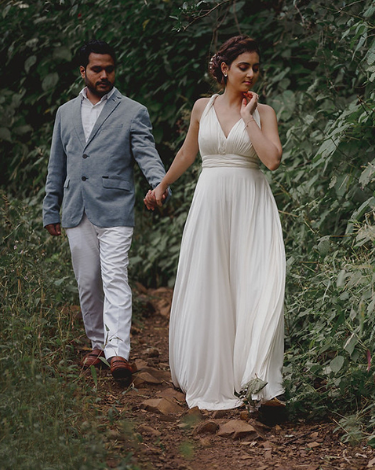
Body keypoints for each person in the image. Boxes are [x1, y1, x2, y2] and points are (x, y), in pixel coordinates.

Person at [144, 35, 285, 410]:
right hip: (210, 206)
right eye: (244, 67)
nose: (252, 74)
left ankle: (258, 386)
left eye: (256, 67)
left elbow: (271, 159)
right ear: (225, 69)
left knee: (255, 287)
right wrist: (162, 185)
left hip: (251, 205)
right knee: (214, 286)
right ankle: (216, 376)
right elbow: (188, 152)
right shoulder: (201, 108)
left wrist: (246, 117)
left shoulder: (264, 113)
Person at [42, 40, 170, 383]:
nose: (104, 75)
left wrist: (159, 184)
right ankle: (97, 344)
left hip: (115, 207)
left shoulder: (132, 111)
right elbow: (58, 164)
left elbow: (147, 154)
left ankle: (118, 352)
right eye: (96, 69)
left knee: (114, 277)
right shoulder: (65, 112)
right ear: (82, 71)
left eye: (109, 69)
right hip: (75, 207)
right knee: (87, 281)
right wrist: (49, 208)